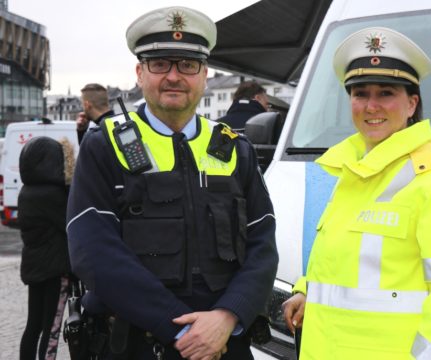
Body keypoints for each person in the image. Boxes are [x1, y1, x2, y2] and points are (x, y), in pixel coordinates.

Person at [66, 6, 278, 360]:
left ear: (205, 74)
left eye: (187, 65)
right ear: (139, 72)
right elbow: (93, 252)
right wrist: (180, 330)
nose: (174, 76)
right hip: (135, 344)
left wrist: (228, 317)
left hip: (224, 343)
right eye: (160, 64)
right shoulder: (104, 146)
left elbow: (262, 243)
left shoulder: (235, 149)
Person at [282, 27, 431, 359]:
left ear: (412, 103)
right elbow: (348, 260)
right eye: (360, 93)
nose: (371, 106)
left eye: (386, 93)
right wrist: (307, 289)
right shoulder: (353, 170)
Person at [18, 136, 75, 360]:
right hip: (56, 270)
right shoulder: (52, 194)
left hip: (35, 268)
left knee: (33, 327)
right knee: (52, 329)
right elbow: (70, 223)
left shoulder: (27, 191)